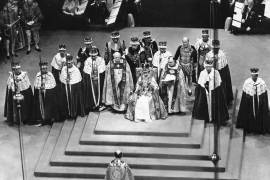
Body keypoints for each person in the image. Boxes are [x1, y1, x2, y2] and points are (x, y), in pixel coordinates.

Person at [192, 58, 229, 125]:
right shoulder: (202, 73)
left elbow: (218, 83)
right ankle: (207, 118)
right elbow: (200, 83)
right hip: (205, 93)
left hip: (214, 92)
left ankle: (214, 118)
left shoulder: (216, 73)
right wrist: (204, 86)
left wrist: (213, 89)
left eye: (209, 67)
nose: (208, 68)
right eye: (207, 67)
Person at [236, 68, 270, 134]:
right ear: (251, 75)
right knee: (250, 113)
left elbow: (264, 96)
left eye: (256, 75)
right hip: (250, 102)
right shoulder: (247, 83)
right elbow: (244, 97)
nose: (254, 77)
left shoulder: (262, 83)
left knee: (259, 114)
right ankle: (250, 128)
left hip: (259, 102)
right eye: (253, 75)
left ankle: (259, 128)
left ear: (257, 75)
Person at [4, 61, 34, 126]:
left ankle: (24, 118)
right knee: (13, 105)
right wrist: (13, 82)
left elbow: (27, 87)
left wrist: (19, 81)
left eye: (17, 69)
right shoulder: (11, 76)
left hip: (23, 93)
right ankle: (13, 119)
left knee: (24, 105)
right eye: (14, 69)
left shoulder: (24, 75)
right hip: (14, 93)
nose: (16, 71)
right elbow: (10, 86)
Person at [206, 40, 233, 106]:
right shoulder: (209, 54)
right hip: (212, 72)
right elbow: (207, 65)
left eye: (217, 48)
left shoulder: (222, 54)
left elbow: (224, 67)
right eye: (214, 48)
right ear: (212, 48)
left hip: (221, 72)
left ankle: (223, 102)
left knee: (221, 87)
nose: (216, 50)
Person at [59, 54, 85, 120]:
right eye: (67, 63)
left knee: (74, 100)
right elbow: (62, 79)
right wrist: (66, 79)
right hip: (66, 89)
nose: (69, 64)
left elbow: (77, 81)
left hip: (74, 91)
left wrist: (71, 82)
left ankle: (74, 113)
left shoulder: (76, 70)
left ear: (72, 62)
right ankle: (67, 113)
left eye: (70, 63)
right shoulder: (64, 69)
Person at [32, 61, 58, 126]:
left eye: (45, 68)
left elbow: (52, 85)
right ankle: (42, 120)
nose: (44, 70)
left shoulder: (50, 75)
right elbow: (36, 85)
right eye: (43, 69)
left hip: (49, 96)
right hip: (41, 96)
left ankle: (49, 119)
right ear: (40, 69)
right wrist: (40, 88)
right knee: (41, 107)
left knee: (49, 106)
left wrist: (45, 88)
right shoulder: (38, 75)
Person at [82, 46, 106, 112]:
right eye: (92, 56)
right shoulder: (87, 60)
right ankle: (92, 104)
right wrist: (92, 71)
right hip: (91, 80)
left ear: (97, 54)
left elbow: (102, 68)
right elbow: (86, 69)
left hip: (99, 79)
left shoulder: (101, 59)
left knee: (99, 90)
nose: (93, 57)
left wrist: (96, 70)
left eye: (94, 56)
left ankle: (99, 103)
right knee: (91, 91)